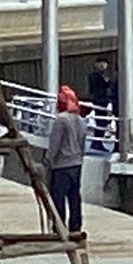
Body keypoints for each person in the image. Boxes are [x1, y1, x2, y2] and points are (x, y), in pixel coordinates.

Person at [46, 84, 88, 235]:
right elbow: (84, 144)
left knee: (58, 198)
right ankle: (75, 226)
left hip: (61, 165)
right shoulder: (81, 121)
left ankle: (59, 226)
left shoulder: (61, 120)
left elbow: (55, 144)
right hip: (76, 163)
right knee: (74, 196)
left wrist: (49, 159)